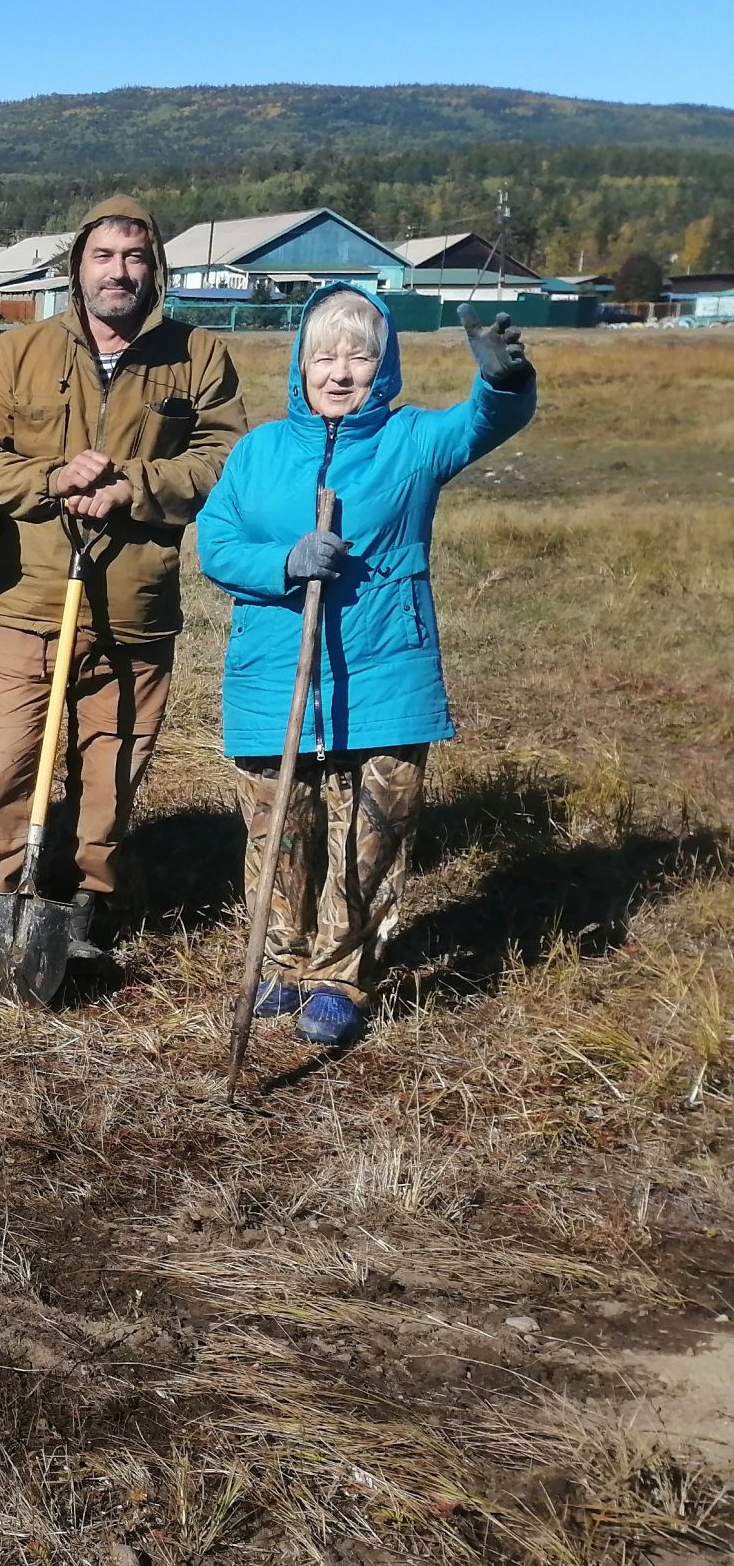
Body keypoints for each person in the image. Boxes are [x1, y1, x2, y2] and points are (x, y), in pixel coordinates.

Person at [196, 291, 535, 1046]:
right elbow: (214, 544)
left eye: (360, 356)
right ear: (300, 365)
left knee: (373, 834)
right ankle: (282, 965)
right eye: (325, 356)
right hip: (273, 675)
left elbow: (485, 421)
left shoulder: (413, 441)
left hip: (385, 673)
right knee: (280, 830)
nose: (341, 372)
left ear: (384, 366)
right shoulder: (259, 451)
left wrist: (503, 382)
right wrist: (284, 560)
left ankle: (340, 975)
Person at [0, 195, 248, 983]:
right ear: (77, 267)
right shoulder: (22, 353)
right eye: (104, 257)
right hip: (31, 601)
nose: (120, 272)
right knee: (6, 762)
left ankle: (84, 912)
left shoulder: (198, 357)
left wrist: (135, 487)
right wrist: (50, 477)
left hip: (137, 609)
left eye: (135, 257)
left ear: (156, 269)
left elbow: (225, 460)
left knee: (112, 772)